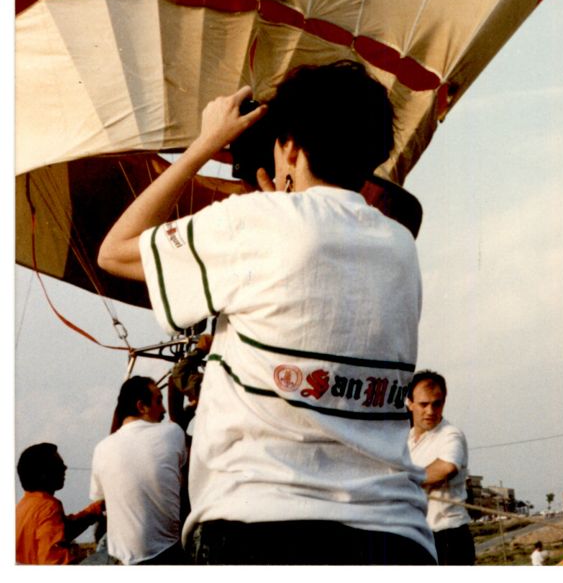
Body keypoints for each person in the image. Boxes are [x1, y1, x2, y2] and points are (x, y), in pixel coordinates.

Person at [97, 60, 435, 565]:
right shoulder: (400, 244)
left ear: (291, 146)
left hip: (262, 529)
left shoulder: (257, 221)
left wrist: (205, 144)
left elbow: (114, 250)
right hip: (397, 536)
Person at [88, 376, 187, 565]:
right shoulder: (173, 432)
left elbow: (100, 500)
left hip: (122, 560)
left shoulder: (101, 448)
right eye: (158, 401)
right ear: (141, 406)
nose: (163, 409)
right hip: (168, 553)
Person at [406, 370, 475, 564]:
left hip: (449, 537)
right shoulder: (405, 439)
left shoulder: (450, 435)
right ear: (409, 403)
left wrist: (401, 482)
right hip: (417, 535)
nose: (431, 411)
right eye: (423, 404)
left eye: (437, 404)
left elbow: (446, 468)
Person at [15, 442, 103, 565]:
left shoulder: (23, 506)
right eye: (58, 465)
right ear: (43, 475)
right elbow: (55, 561)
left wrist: (96, 509)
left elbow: (63, 531)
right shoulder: (48, 507)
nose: (65, 468)